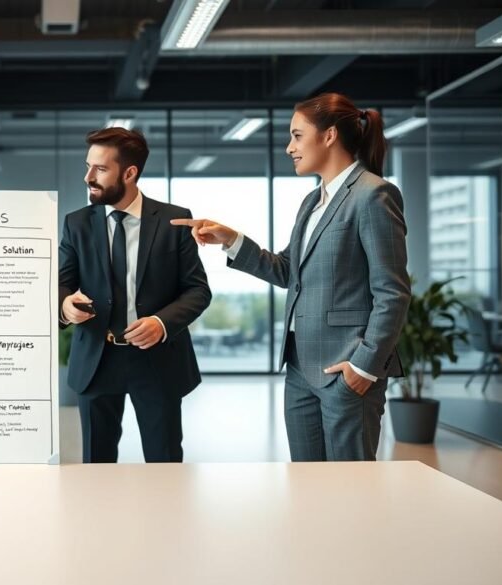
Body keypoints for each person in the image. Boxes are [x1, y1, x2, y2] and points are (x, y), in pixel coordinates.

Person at [172, 93, 409, 462]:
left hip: (345, 367)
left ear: (329, 136)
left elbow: (392, 293)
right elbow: (287, 270)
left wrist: (364, 366)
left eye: (297, 136)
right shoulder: (311, 202)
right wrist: (231, 239)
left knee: (350, 485)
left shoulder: (373, 194)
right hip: (299, 367)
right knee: (305, 482)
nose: (289, 147)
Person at [59, 127, 211, 463]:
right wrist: (65, 305)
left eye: (100, 169)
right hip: (96, 358)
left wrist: (161, 322)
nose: (88, 177)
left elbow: (198, 290)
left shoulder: (174, 220)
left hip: (158, 360)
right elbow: (61, 284)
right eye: (88, 166)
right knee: (96, 466)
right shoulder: (76, 224)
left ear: (129, 173)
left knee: (164, 463)